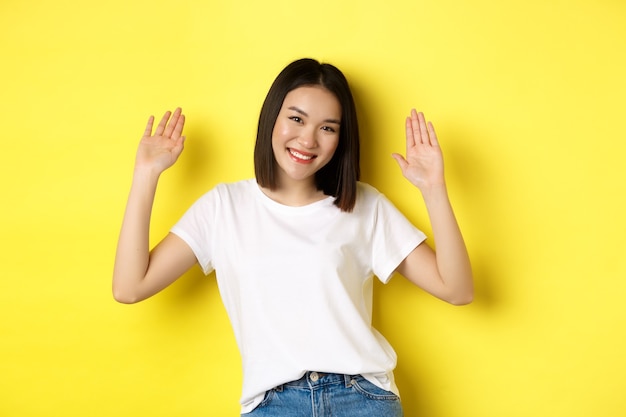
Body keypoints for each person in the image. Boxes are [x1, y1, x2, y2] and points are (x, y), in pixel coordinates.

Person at [112, 58, 473, 416]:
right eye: (296, 119)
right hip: (273, 404)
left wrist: (433, 188)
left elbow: (457, 289)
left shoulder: (365, 206)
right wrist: (146, 174)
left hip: (361, 400)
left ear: (340, 139)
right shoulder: (224, 207)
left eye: (328, 128)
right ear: (273, 117)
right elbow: (129, 287)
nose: (308, 139)